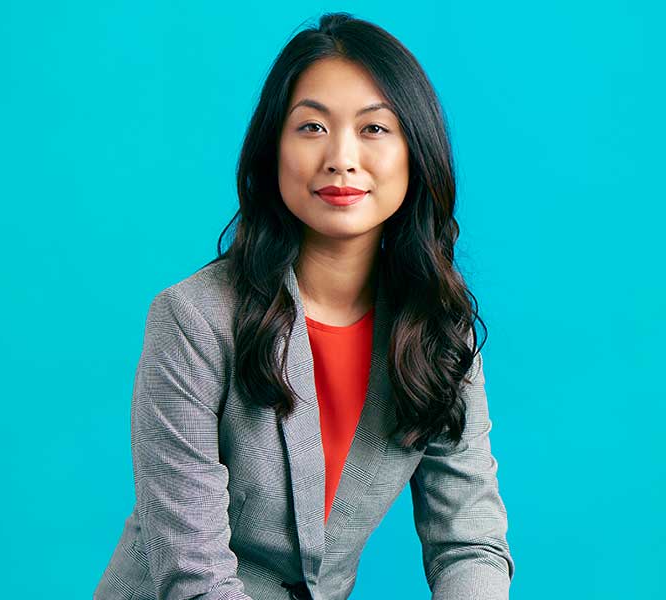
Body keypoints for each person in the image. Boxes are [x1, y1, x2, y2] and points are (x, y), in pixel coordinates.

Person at [94, 12, 514, 600]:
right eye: (312, 127)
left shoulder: (438, 332)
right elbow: (194, 577)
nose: (341, 158)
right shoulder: (192, 320)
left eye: (374, 129)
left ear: (415, 153)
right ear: (273, 150)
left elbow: (469, 542)